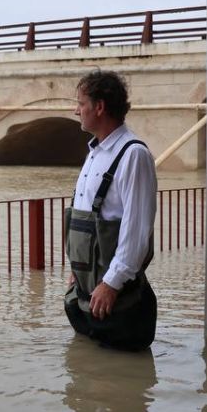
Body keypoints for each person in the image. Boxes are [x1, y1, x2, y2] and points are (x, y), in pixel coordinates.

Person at [65, 70, 158, 351]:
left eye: (81, 103)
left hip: (114, 301)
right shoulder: (95, 153)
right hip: (86, 295)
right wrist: (77, 271)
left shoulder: (133, 155)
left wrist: (112, 284)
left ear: (100, 107)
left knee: (119, 371)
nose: (76, 110)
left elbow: (137, 230)